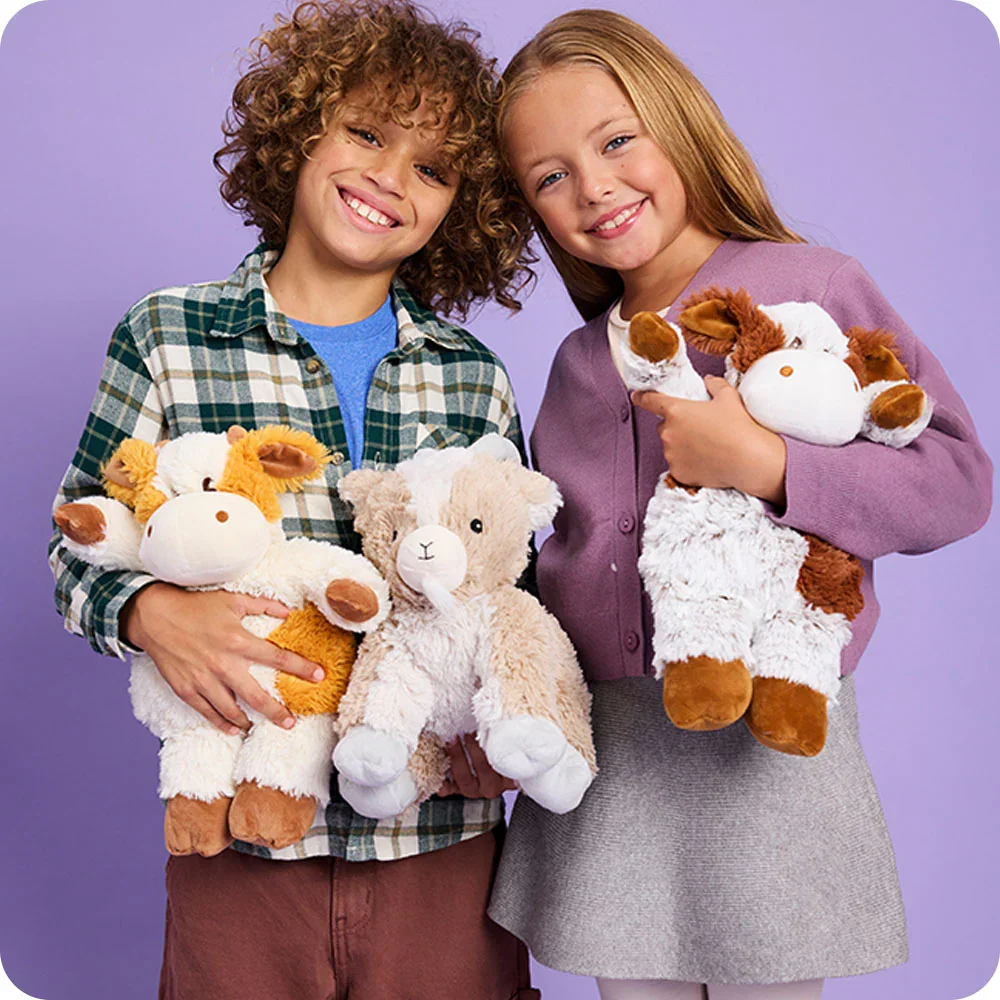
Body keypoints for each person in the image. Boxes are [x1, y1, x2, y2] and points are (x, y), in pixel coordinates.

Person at [486, 9, 992, 1000]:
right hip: (617, 759)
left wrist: (770, 465)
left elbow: (958, 479)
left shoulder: (811, 287)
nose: (593, 187)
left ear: (679, 122)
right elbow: (561, 553)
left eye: (616, 141)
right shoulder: (576, 362)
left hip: (768, 739)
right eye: (549, 176)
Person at [47, 2, 542, 997]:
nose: (389, 178)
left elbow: (513, 588)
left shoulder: (471, 375)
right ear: (301, 130)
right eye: (366, 132)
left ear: (464, 206)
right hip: (242, 835)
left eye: (433, 168)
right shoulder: (169, 336)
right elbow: (75, 551)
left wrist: (509, 728)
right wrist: (148, 612)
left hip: (439, 839)